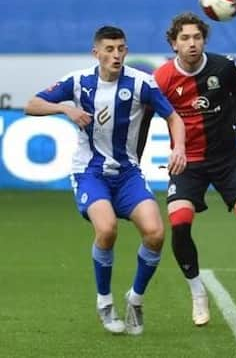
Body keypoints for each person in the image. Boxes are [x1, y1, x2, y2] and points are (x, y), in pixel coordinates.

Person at [24, 26, 187, 335]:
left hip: (128, 174)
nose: (116, 55)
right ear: (95, 53)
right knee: (107, 228)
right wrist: (64, 108)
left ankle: (135, 299)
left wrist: (178, 147)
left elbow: (173, 117)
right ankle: (104, 301)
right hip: (90, 172)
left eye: (121, 49)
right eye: (109, 49)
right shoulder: (78, 82)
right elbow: (31, 104)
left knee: (155, 233)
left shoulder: (141, 83)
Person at [153, 12, 236, 328]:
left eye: (197, 37)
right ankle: (197, 293)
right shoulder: (162, 78)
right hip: (188, 163)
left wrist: (233, 119)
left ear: (204, 40)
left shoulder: (223, 67)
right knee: (179, 222)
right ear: (174, 44)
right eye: (185, 38)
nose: (192, 44)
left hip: (228, 160)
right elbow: (149, 115)